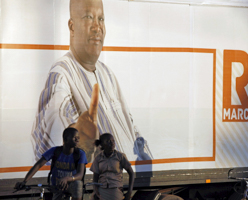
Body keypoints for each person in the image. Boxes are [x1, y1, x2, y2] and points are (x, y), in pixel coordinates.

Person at [30, 0, 152, 163]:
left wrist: (148, 167)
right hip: (101, 183)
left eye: (101, 19)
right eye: (88, 17)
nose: (97, 27)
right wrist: (80, 143)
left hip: (127, 180)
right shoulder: (62, 73)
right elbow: (49, 131)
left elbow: (132, 129)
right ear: (72, 27)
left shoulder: (107, 74)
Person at [15, 127, 88, 200]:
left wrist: (67, 179)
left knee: (78, 183)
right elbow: (38, 165)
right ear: (66, 139)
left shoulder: (80, 154)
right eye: (74, 137)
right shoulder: (55, 151)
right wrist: (24, 181)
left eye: (78, 137)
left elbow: (80, 175)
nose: (77, 139)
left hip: (72, 186)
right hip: (57, 186)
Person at [90, 133, 135, 200]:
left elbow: (131, 173)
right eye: (108, 141)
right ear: (102, 144)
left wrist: (129, 192)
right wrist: (95, 189)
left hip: (116, 188)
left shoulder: (120, 156)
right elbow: (95, 176)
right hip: (102, 189)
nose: (112, 143)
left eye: (113, 141)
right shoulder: (98, 158)